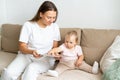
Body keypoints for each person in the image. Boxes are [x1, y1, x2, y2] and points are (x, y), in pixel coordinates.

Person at [1, 1, 60, 80]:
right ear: (41, 14)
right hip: (26, 55)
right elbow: (22, 46)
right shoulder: (28, 25)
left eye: (54, 17)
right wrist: (32, 52)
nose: (51, 20)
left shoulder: (55, 27)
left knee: (31, 69)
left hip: (45, 59)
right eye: (49, 17)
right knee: (9, 73)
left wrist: (56, 54)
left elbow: (54, 47)